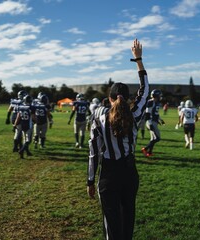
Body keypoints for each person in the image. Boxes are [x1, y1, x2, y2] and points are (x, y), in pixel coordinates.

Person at [87, 39, 149, 240]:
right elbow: (145, 90)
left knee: (111, 224)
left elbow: (93, 150)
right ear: (129, 98)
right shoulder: (135, 113)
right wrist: (138, 59)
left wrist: (90, 180)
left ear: (110, 97)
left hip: (109, 173)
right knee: (127, 219)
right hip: (129, 172)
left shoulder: (98, 113)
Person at [141, 89, 165, 157]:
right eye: (159, 95)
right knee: (157, 138)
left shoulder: (156, 102)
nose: (160, 97)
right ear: (156, 95)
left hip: (154, 122)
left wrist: (160, 119)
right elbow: (148, 114)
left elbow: (156, 113)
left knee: (153, 138)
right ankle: (145, 149)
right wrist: (150, 123)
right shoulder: (151, 102)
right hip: (151, 122)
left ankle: (149, 152)